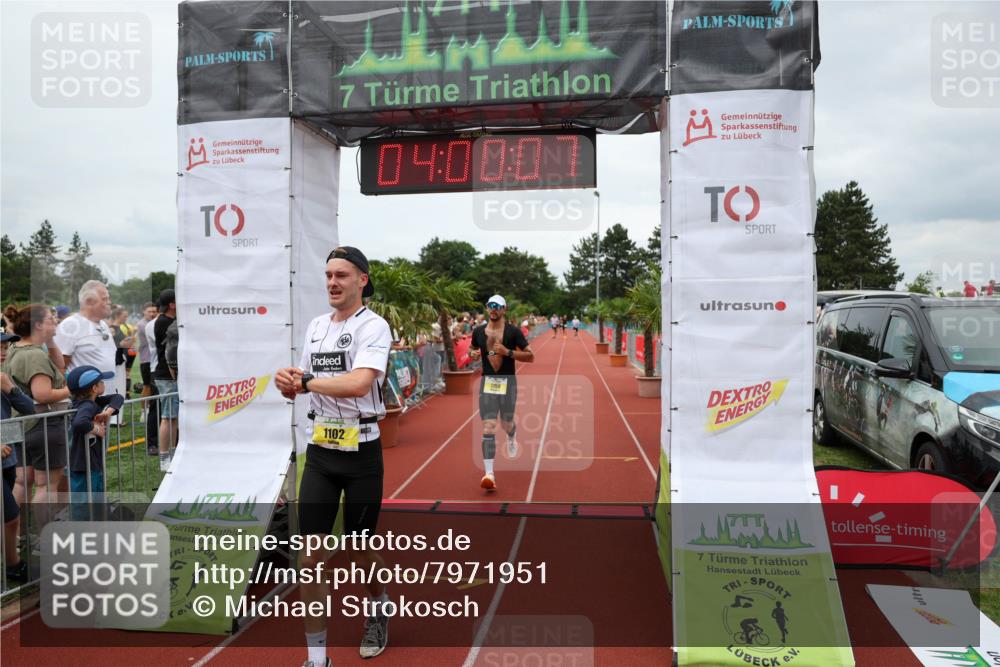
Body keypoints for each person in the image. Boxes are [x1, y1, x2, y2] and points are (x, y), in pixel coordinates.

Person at [274, 246, 393, 666]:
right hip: (321, 452)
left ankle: (379, 608)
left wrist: (306, 383)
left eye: (341, 275)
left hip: (361, 452)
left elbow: (360, 383)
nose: (332, 282)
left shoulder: (374, 327)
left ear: (362, 279)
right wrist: (287, 380)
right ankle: (317, 658)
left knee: (361, 551)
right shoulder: (316, 326)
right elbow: (302, 381)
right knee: (309, 558)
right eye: (327, 275)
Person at [2, 304, 70, 530]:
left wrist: (49, 340)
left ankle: (18, 533)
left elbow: (60, 366)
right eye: (51, 319)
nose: (56, 322)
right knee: (46, 485)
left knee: (22, 482)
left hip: (20, 424)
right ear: (38, 324)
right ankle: (44, 536)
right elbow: (43, 394)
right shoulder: (34, 356)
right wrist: (72, 390)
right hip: (43, 424)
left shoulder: (18, 348)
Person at [468, 295, 535, 491]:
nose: (493, 309)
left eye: (497, 306)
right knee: (488, 427)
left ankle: (512, 436)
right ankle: (489, 474)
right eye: (490, 306)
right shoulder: (479, 331)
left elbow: (531, 356)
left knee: (506, 424)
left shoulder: (513, 332)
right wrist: (473, 353)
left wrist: (508, 353)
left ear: (504, 309)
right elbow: (474, 349)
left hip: (508, 383)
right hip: (488, 383)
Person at [67, 366, 123, 520]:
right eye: (101, 381)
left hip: (87, 462)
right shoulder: (88, 406)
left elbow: (117, 398)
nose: (104, 384)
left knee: (95, 499)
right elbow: (79, 423)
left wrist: (108, 411)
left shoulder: (91, 401)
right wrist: (96, 429)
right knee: (85, 504)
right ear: (94, 388)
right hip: (85, 464)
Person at [1, 331, 34, 583]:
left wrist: (10, 387)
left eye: (5, 346)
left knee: (7, 514)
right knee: (11, 514)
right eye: (0, 347)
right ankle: (13, 565)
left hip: (7, 459)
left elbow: (28, 408)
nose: (4, 351)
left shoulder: (2, 379)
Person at [54, 280, 117, 381]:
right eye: (104, 299)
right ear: (89, 302)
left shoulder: (103, 324)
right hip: (84, 395)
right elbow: (58, 367)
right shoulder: (70, 326)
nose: (109, 302)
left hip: (108, 393)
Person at [152, 290, 178, 471]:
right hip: (167, 375)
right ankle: (164, 457)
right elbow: (171, 351)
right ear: (171, 304)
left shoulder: (167, 321)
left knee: (173, 417)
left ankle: (173, 453)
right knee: (167, 417)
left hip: (171, 375)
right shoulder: (164, 322)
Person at [136, 302, 160, 455]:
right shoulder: (142, 325)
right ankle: (144, 411)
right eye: (149, 311)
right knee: (147, 387)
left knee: (150, 388)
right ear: (143, 312)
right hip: (147, 361)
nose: (152, 313)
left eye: (154, 311)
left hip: (153, 361)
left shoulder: (154, 323)